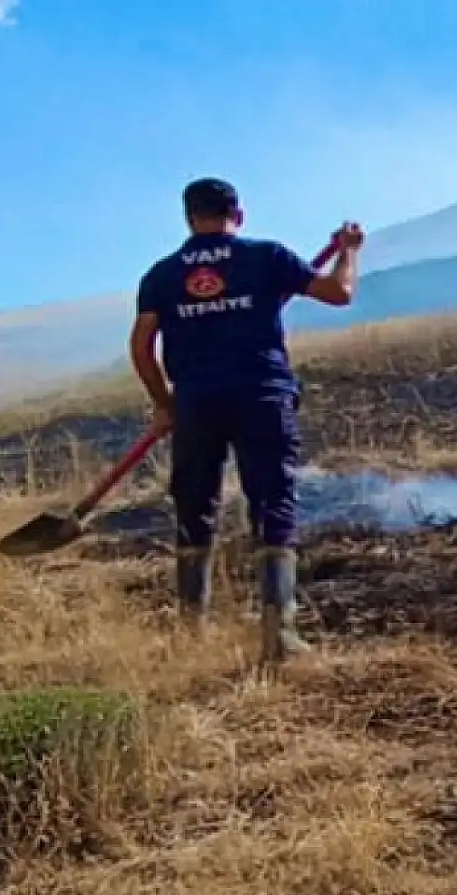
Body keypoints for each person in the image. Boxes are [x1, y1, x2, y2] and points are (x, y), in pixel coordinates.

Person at [128, 177, 364, 663]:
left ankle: (192, 632)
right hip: (261, 395)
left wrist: (164, 403)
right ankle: (279, 634)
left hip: (196, 401)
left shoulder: (162, 274)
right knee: (272, 500)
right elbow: (339, 293)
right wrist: (348, 251)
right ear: (239, 213)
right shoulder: (265, 257)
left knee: (195, 506)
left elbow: (140, 345)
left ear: (189, 217)